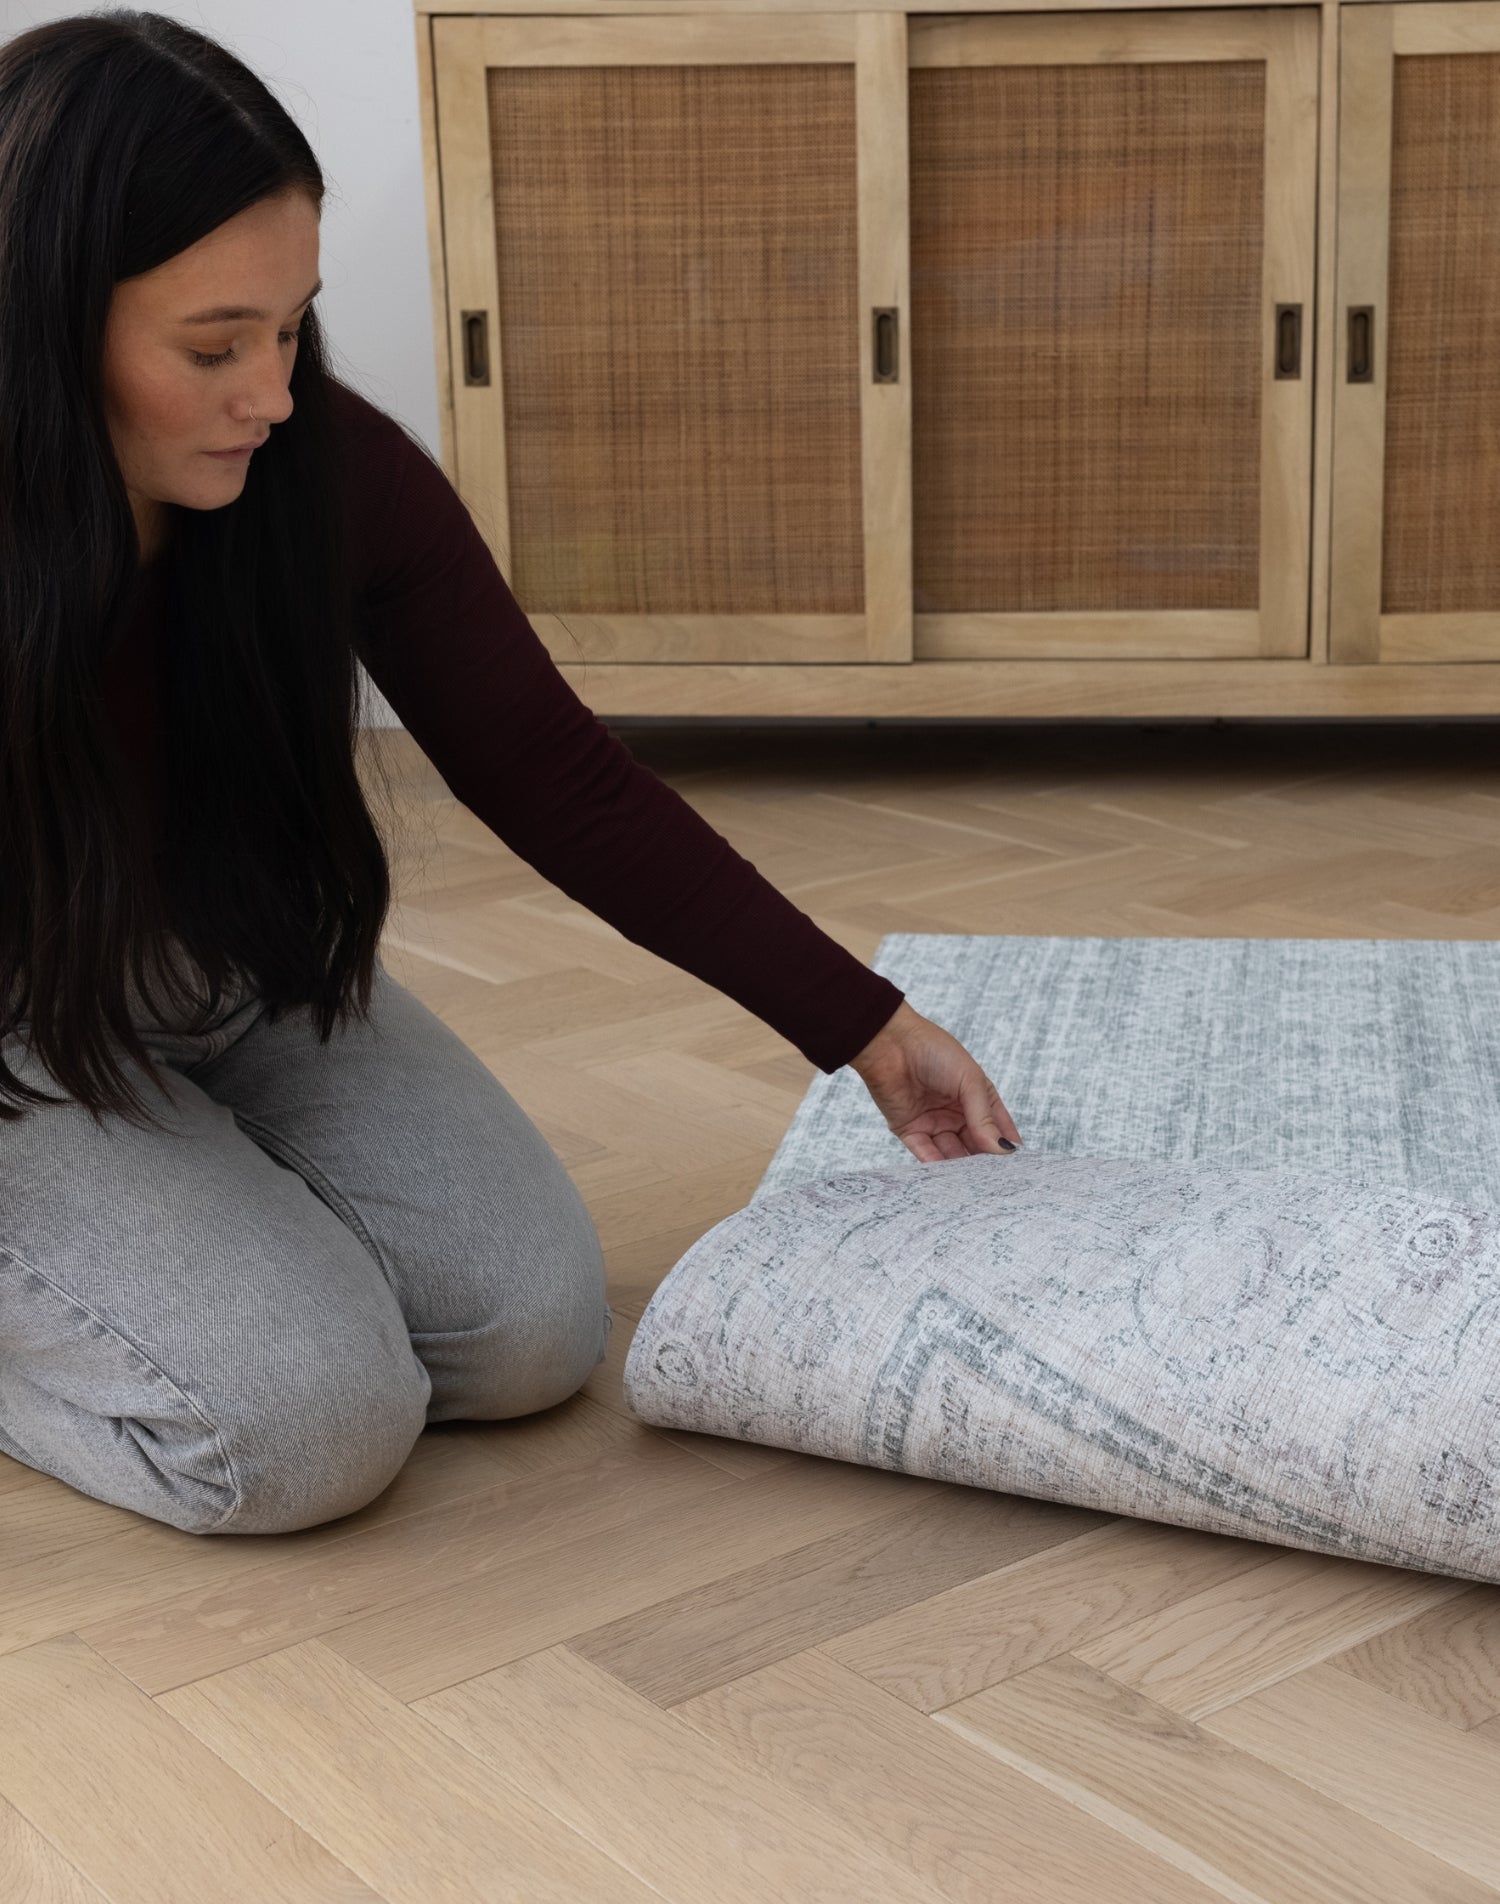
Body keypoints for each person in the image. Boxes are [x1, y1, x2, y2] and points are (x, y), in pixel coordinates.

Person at [0, 10, 1023, 1539]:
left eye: (293, 326)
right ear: (41, 320)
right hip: (26, 1028)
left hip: (238, 966)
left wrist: (863, 1027)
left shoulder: (322, 473)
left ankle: (183, 1232)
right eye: (214, 346)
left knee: (529, 1337)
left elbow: (556, 772)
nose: (272, 391)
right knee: (304, 1437)